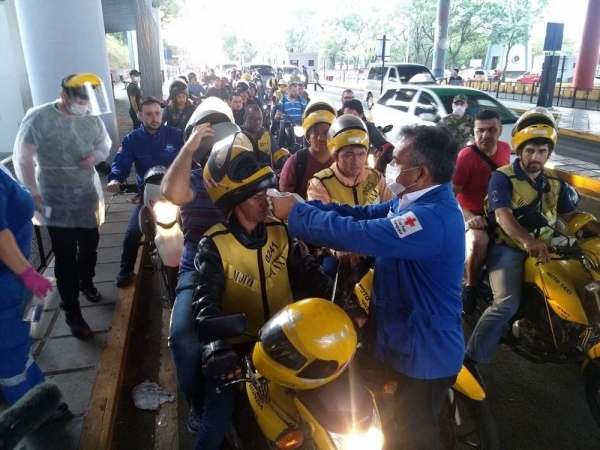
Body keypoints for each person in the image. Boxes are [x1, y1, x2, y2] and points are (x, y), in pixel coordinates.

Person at [268, 124, 465, 449]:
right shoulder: (410, 201)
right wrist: (303, 205)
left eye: (397, 160)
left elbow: (360, 235)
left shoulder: (430, 218)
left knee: (411, 436)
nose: (387, 166)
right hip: (399, 338)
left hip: (422, 353)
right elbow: (358, 215)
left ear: (421, 172)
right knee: (386, 424)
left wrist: (297, 214)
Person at [192, 131, 341, 450]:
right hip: (239, 355)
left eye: (266, 190)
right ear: (234, 201)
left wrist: (342, 302)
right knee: (213, 429)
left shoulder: (280, 231)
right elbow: (206, 305)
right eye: (254, 194)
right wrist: (218, 348)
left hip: (290, 344)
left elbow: (311, 275)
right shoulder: (214, 244)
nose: (265, 199)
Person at [463, 107, 600, 386]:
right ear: (520, 150)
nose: (535, 157)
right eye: (530, 151)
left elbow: (569, 216)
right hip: (509, 248)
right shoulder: (502, 177)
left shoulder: (552, 180)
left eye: (541, 151)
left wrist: (591, 229)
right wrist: (528, 241)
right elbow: (503, 216)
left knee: (588, 278)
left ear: (549, 152)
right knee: (505, 304)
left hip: (547, 245)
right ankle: (470, 360)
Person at [13, 73, 112, 338]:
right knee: (64, 255)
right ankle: (72, 314)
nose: (83, 105)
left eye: (86, 100)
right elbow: (23, 157)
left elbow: (104, 144)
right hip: (53, 196)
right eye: (78, 99)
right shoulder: (40, 117)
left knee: (89, 245)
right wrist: (32, 191)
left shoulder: (90, 119)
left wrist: (95, 156)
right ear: (63, 95)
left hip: (84, 194)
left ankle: (87, 281)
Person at [161, 98, 236, 434]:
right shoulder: (190, 178)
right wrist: (190, 148)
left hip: (240, 263)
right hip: (197, 268)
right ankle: (197, 399)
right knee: (181, 339)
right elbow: (170, 192)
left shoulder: (240, 174)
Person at [0, 166, 65, 414]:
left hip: (13, 276)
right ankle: (27, 412)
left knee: (17, 339)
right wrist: (28, 274)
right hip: (6, 280)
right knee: (10, 351)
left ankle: (34, 395)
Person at [107, 96, 185, 287]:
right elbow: (121, 161)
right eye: (149, 114)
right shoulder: (132, 139)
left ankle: (196, 265)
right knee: (133, 231)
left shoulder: (176, 135)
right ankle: (125, 268)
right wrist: (115, 178)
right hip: (147, 194)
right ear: (140, 115)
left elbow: (191, 157)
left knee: (195, 224)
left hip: (175, 193)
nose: (154, 118)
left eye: (157, 113)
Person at [452, 109, 511, 314]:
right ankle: (471, 286)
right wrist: (470, 217)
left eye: (491, 130)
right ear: (474, 132)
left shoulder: (505, 149)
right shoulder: (466, 157)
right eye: (480, 131)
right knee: (479, 240)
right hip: (471, 213)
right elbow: (450, 196)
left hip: (499, 210)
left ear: (500, 130)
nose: (485, 135)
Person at [307, 115, 394, 206]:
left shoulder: (376, 178)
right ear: (335, 156)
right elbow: (321, 219)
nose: (356, 161)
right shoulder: (320, 184)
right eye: (349, 155)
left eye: (361, 154)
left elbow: (393, 209)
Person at [279, 97, 337, 199]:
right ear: (308, 135)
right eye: (315, 132)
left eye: (326, 132)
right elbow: (283, 202)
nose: (320, 138)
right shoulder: (295, 163)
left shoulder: (341, 160)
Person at [342, 99, 394, 173]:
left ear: (361, 115)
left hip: (362, 171)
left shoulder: (368, 128)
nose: (350, 121)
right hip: (341, 169)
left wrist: (381, 164)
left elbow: (385, 145)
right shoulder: (337, 128)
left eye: (354, 117)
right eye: (347, 117)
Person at [241, 104, 278, 169]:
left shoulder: (267, 135)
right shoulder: (238, 135)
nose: (257, 122)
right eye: (253, 119)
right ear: (244, 118)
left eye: (260, 119)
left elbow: (276, 154)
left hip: (267, 175)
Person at [274, 82, 306, 148]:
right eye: (294, 91)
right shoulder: (283, 101)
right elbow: (279, 111)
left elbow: (305, 111)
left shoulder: (301, 101)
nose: (296, 92)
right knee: (281, 137)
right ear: (288, 91)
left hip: (298, 124)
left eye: (297, 90)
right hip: (286, 123)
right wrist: (278, 115)